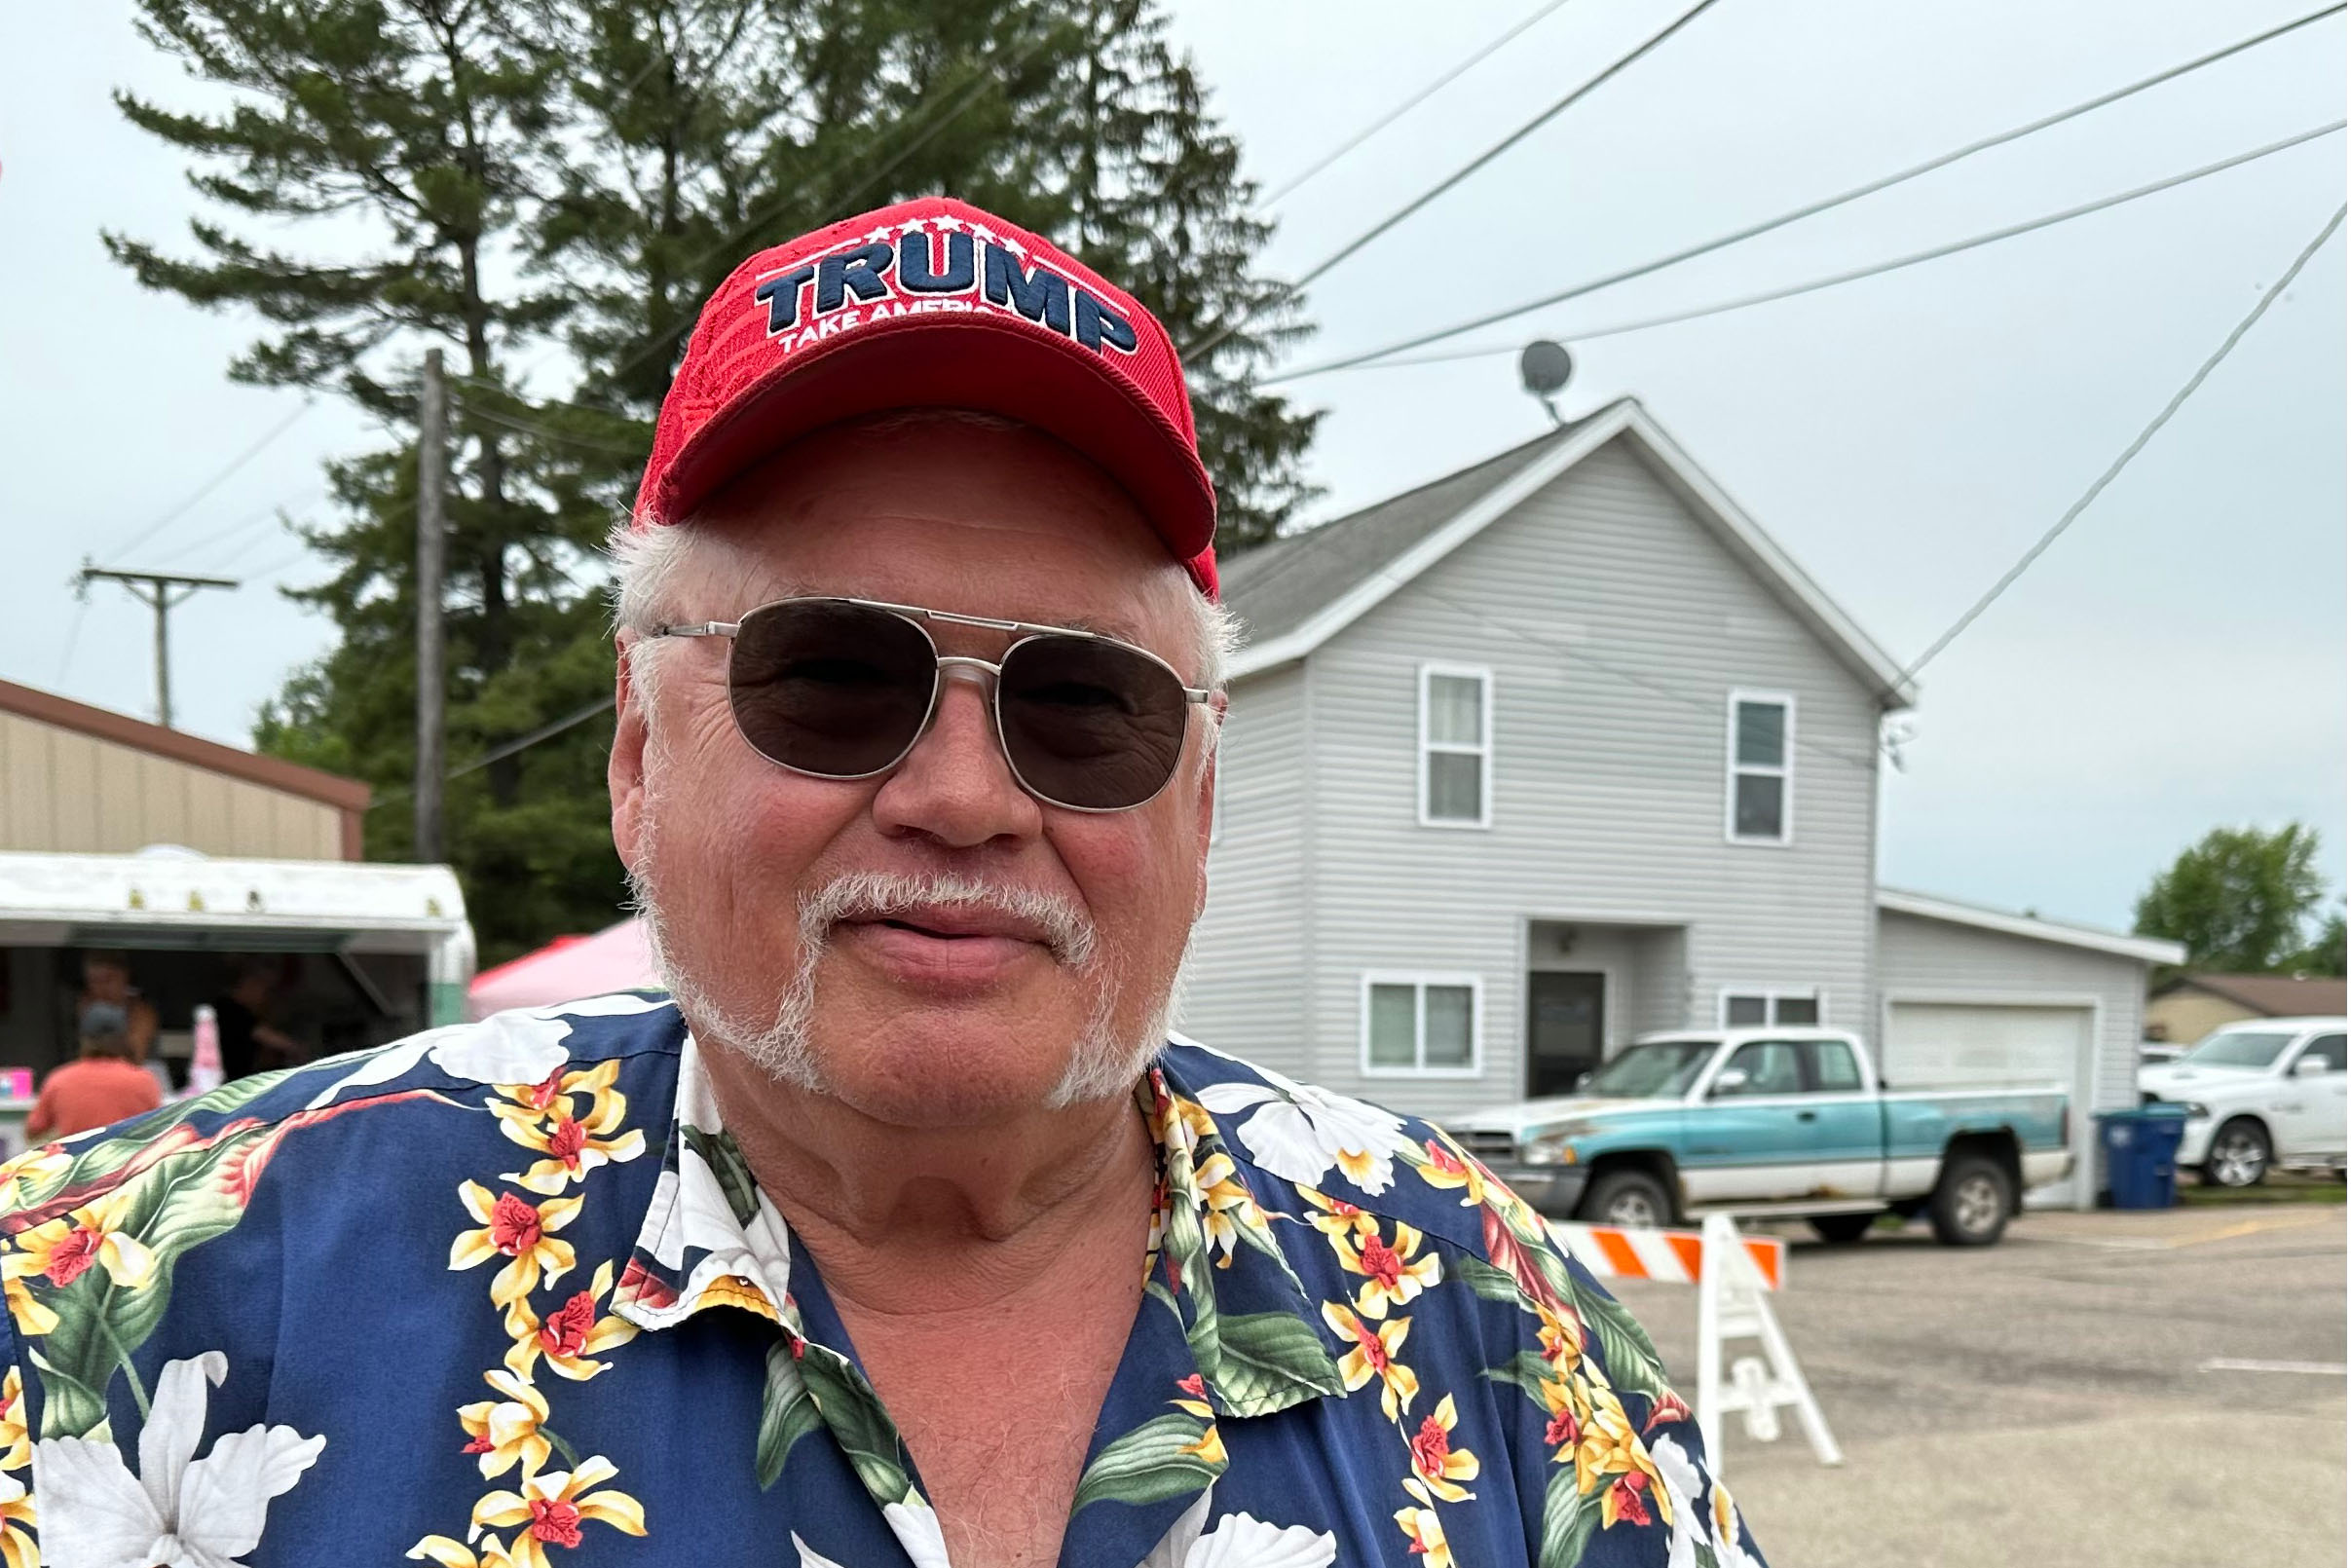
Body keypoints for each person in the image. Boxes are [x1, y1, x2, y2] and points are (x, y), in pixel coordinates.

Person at [0, 200, 1762, 1568]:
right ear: (635, 754)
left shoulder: (1468, 1291)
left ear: (1202, 806)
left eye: (1085, 705)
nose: (963, 795)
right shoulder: (128, 1299)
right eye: (832, 679)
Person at [22, 1002, 164, 1142]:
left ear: (83, 1039)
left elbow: (34, 1130)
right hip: (127, 1163)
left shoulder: (60, 1079)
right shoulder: (144, 1080)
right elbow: (161, 1129)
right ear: (123, 1040)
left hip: (79, 1163)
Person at [209, 956, 306, 1078]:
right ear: (250, 984)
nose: (264, 998)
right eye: (265, 990)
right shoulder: (230, 1008)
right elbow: (263, 1034)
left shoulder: (237, 1009)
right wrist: (296, 1048)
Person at [74, 951, 159, 1063]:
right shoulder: (86, 1008)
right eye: (95, 981)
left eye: (108, 979)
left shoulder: (140, 1011)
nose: (102, 986)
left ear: (124, 977)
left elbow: (135, 1056)